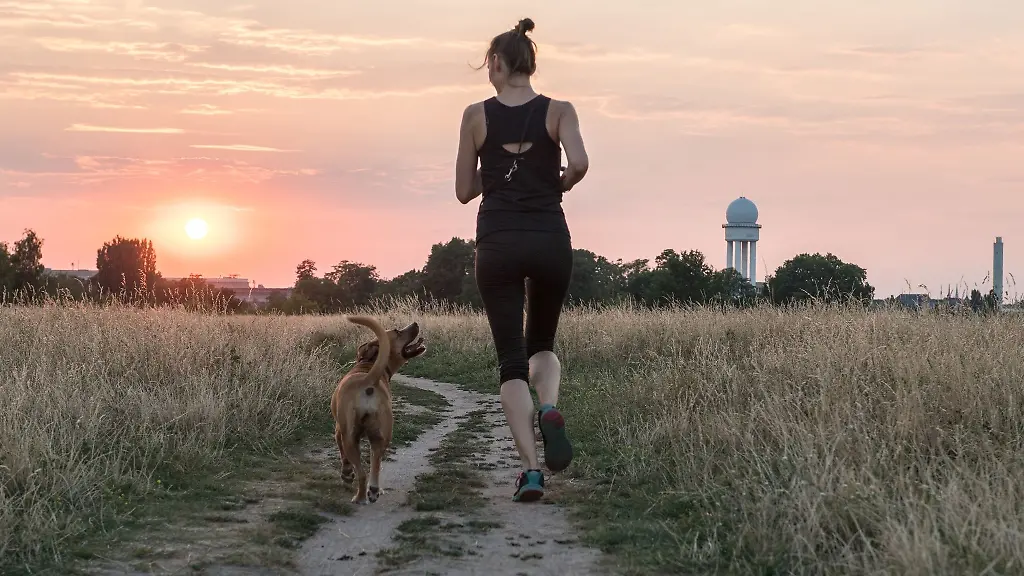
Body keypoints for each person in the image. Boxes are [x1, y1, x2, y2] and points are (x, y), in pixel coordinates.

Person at [453, 17, 590, 502]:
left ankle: (531, 471)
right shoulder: (560, 110)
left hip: (498, 243)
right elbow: (579, 163)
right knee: (543, 344)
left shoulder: (475, 115)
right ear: (531, 64)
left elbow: (463, 192)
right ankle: (549, 405)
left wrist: (499, 176)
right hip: (550, 238)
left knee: (512, 362)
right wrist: (557, 183)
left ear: (496, 63)